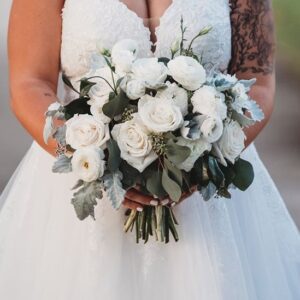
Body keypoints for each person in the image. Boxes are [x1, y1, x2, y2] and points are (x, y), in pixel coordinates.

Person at [0, 0, 299, 299]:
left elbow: (257, 82)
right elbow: (29, 83)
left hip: (207, 195)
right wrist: (93, 157)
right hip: (83, 191)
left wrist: (201, 160)